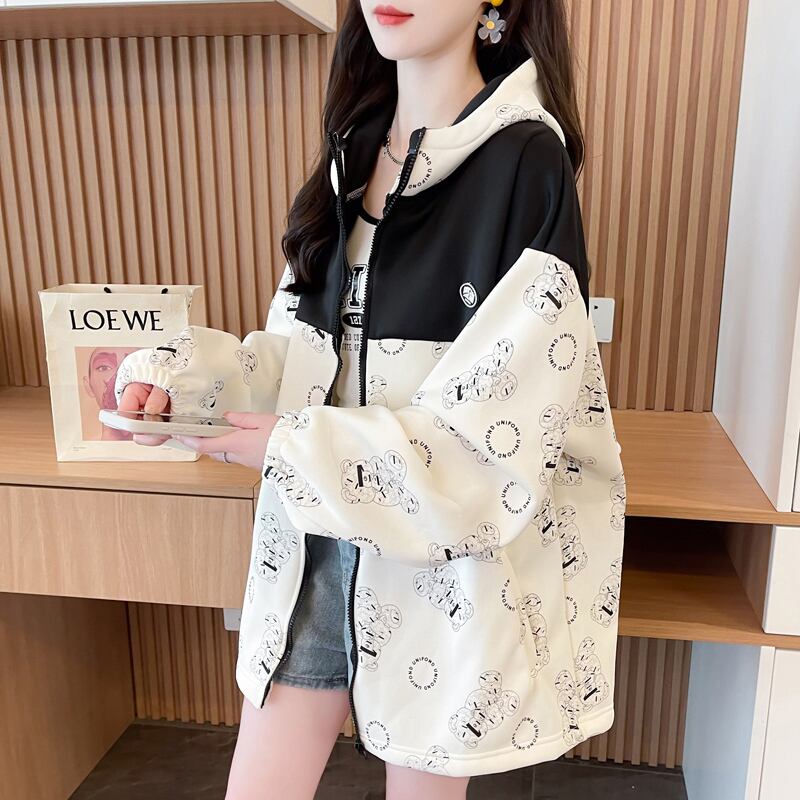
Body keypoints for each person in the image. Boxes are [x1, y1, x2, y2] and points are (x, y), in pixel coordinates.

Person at [115, 1, 627, 798]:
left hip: (440, 573)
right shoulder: (351, 157)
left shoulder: (526, 163)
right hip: (313, 542)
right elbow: (293, 362)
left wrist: (290, 446)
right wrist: (182, 388)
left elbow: (491, 441)